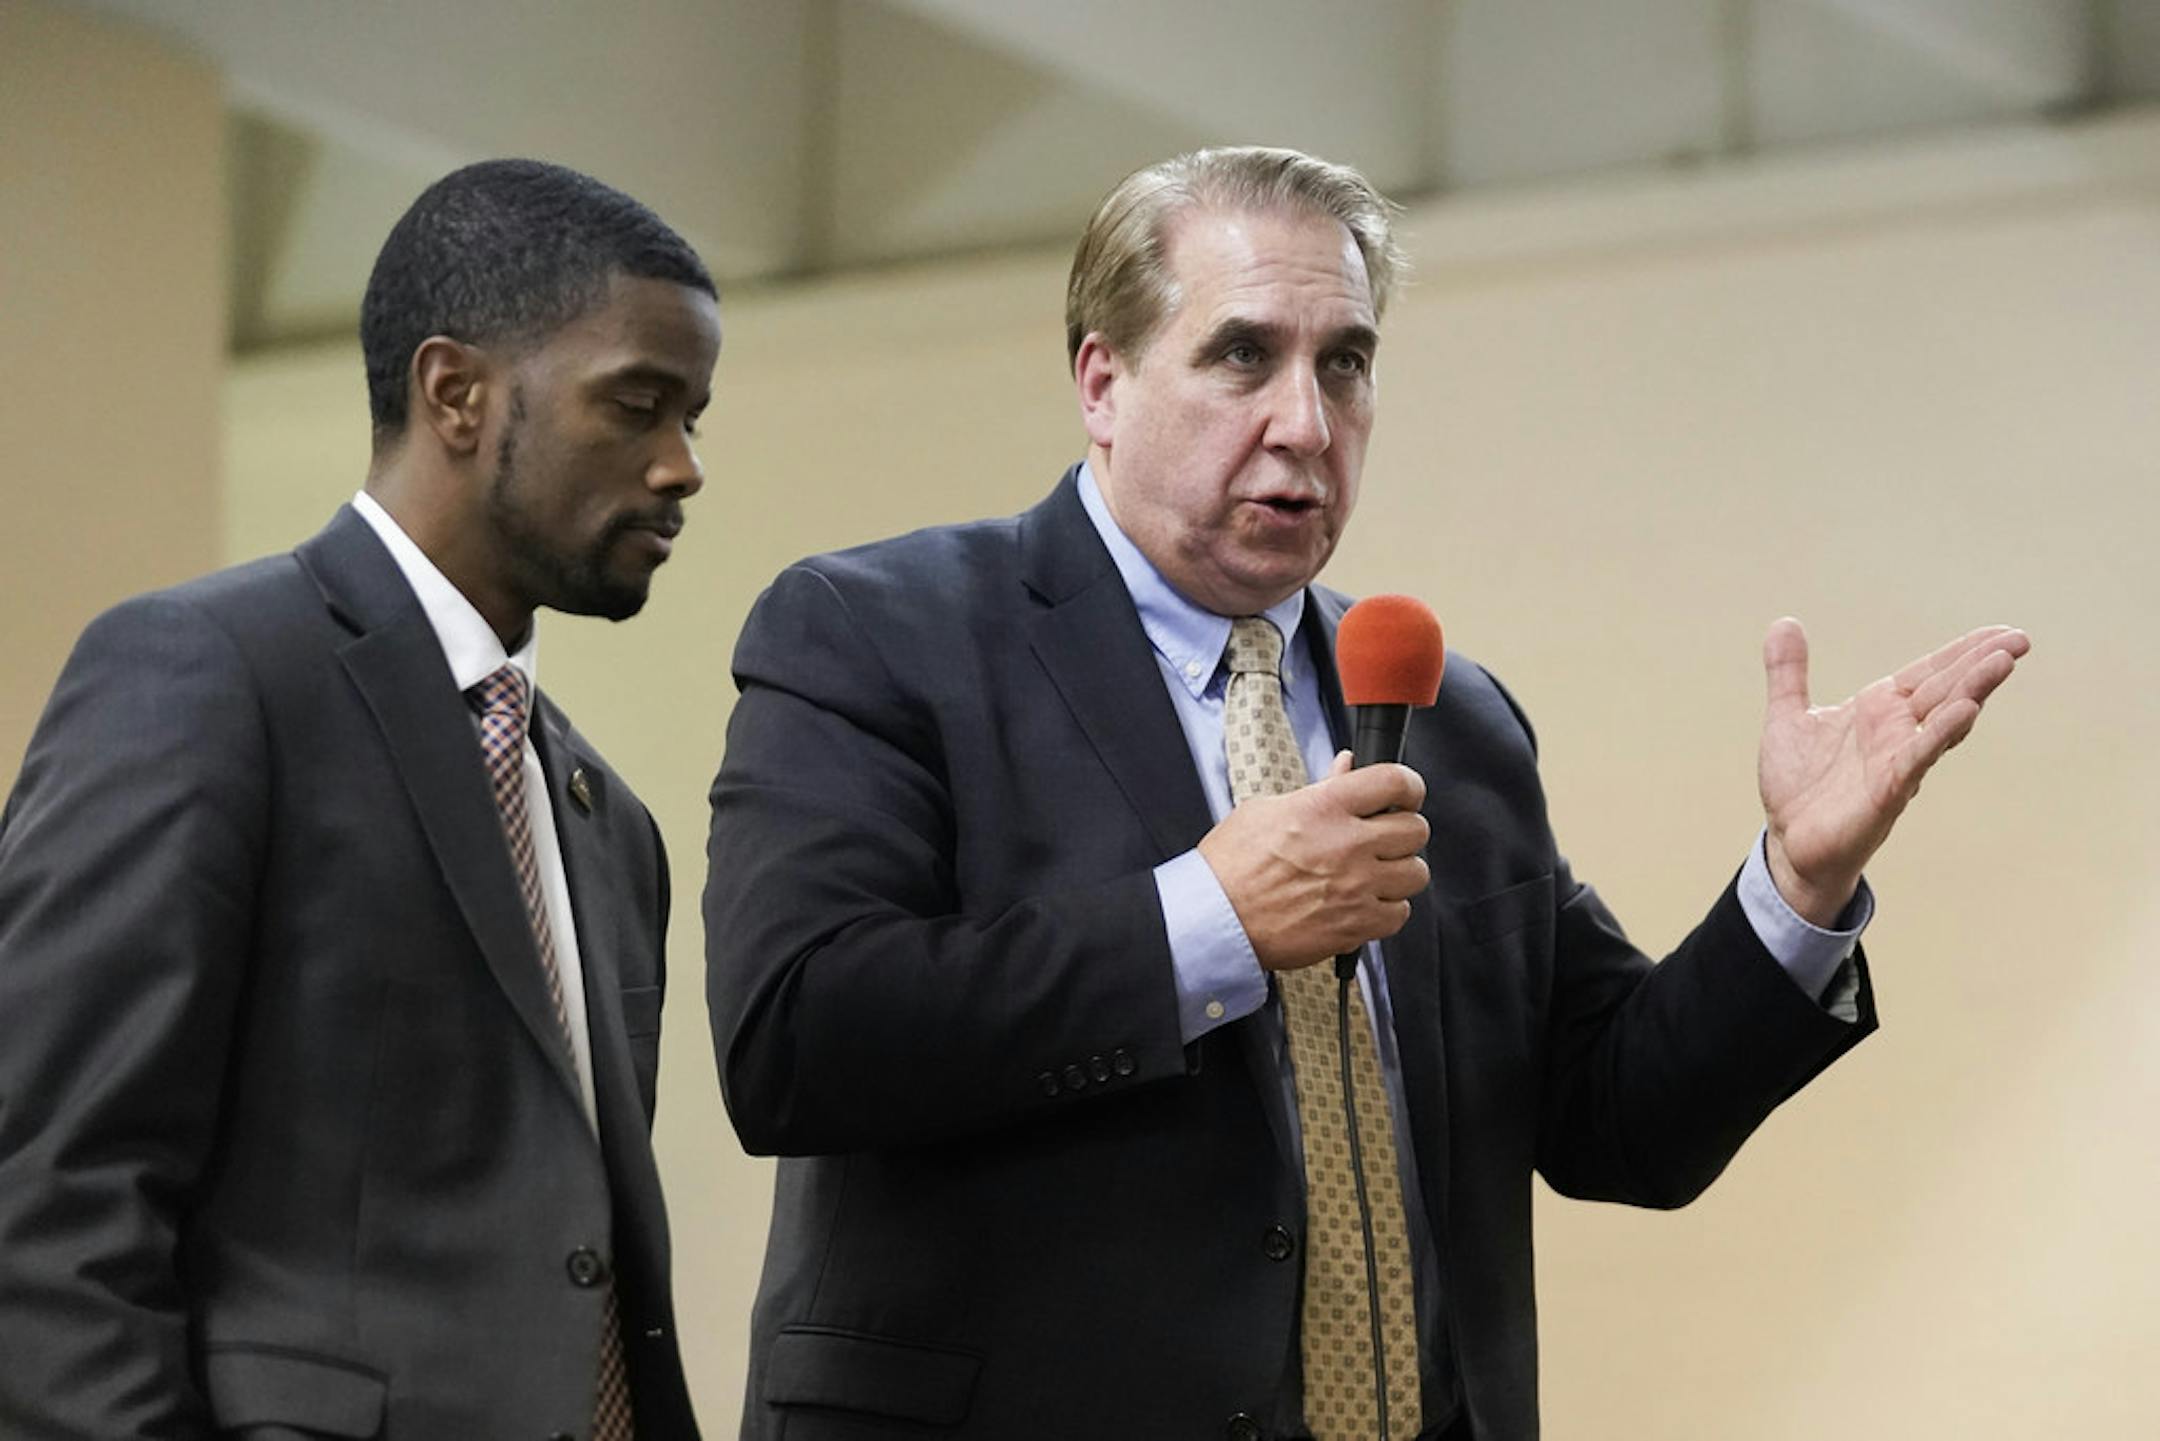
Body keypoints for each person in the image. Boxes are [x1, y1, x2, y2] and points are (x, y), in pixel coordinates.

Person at [703, 147, 2025, 1441]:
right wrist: (1211, 919)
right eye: (1243, 355)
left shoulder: (1451, 714)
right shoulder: (880, 634)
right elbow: (797, 1038)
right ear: (1102, 382)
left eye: (1345, 362)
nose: (1306, 423)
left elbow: (1624, 1123)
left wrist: (1798, 884)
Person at [0, 159, 722, 1439]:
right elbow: (48, 1195)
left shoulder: (610, 822)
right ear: (455, 393)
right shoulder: (207, 673)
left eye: (694, 418)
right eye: (638, 405)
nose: (682, 466)